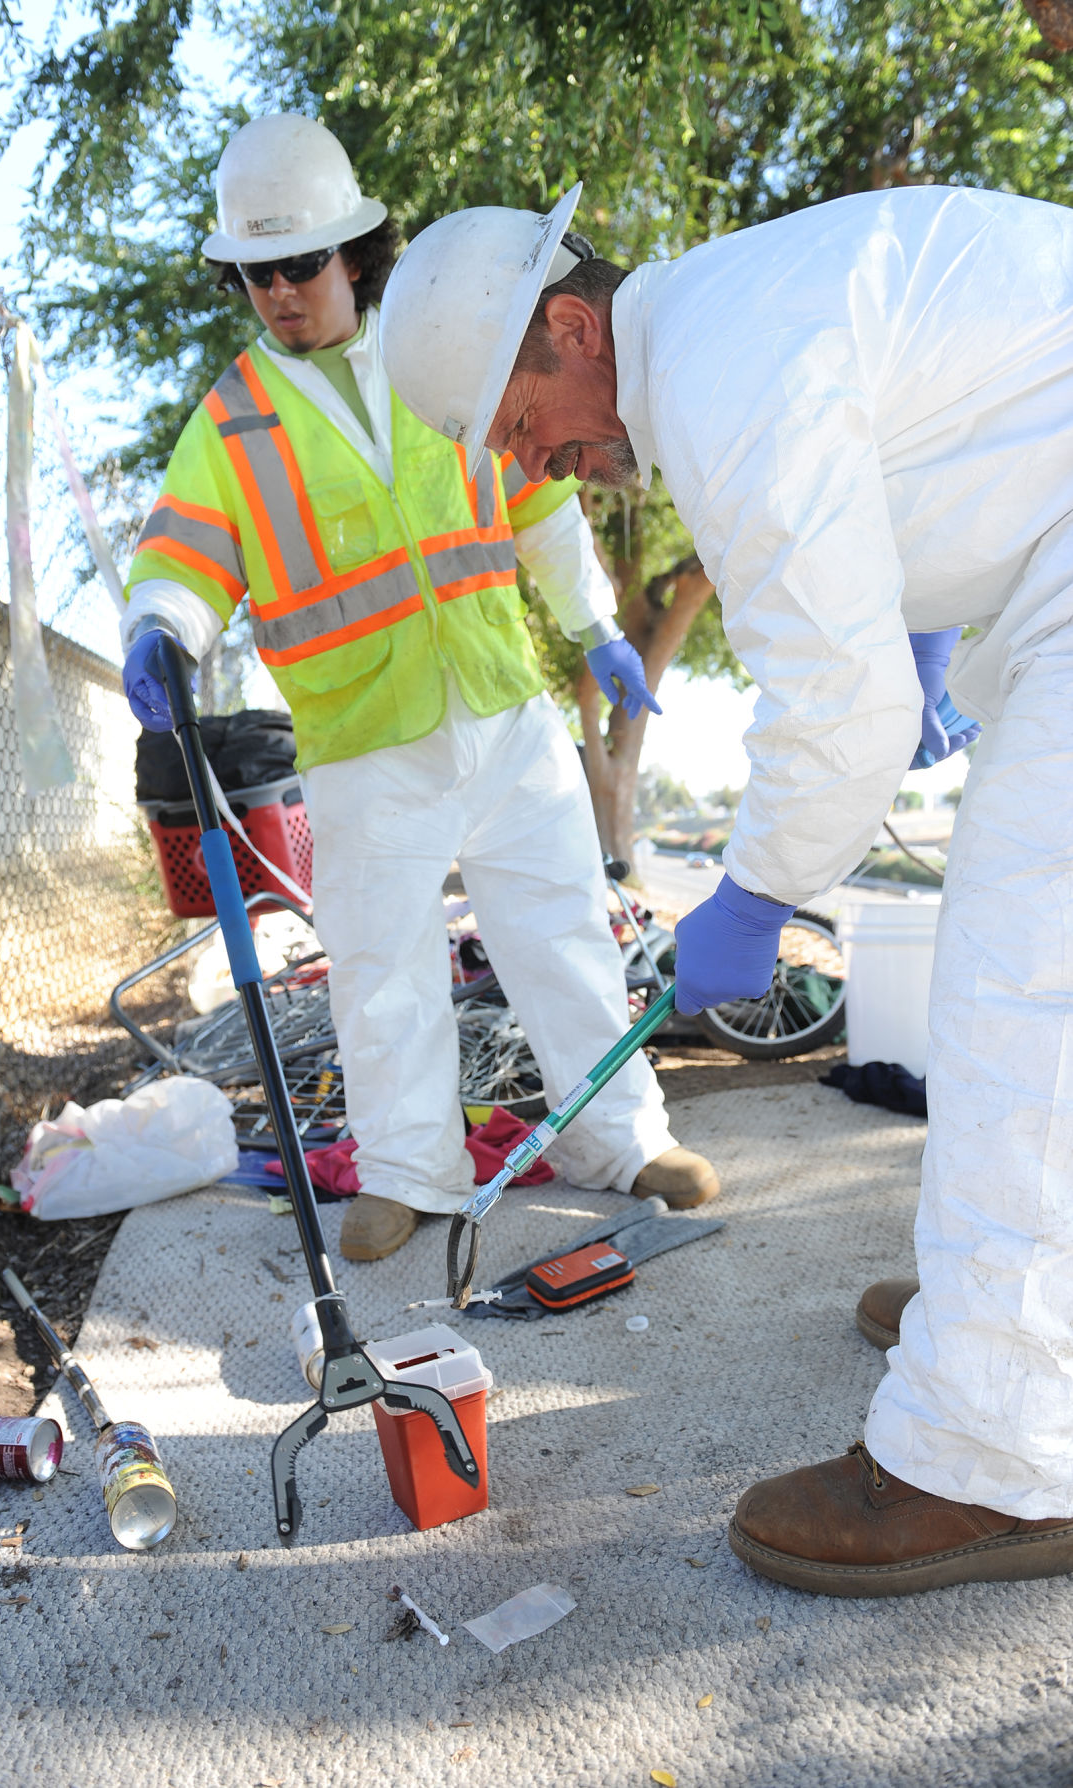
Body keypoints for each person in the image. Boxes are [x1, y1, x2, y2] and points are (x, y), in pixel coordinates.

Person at [378, 182, 1073, 1594]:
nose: (536, 466)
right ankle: (1014, 1329)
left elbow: (840, 712)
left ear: (571, 327)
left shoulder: (714, 371)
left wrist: (754, 892)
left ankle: (990, 1452)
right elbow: (954, 419)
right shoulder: (725, 318)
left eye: (521, 423)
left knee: (1020, 998)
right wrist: (927, 621)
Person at [120, 116, 720, 1264]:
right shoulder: (230, 423)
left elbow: (538, 499)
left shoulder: (440, 352)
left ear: (354, 254)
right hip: (363, 742)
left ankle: (624, 1143)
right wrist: (159, 632)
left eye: (301, 263)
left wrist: (596, 626)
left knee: (565, 935)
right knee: (381, 968)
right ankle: (407, 1174)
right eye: (256, 272)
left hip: (502, 708)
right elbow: (182, 559)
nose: (281, 292)